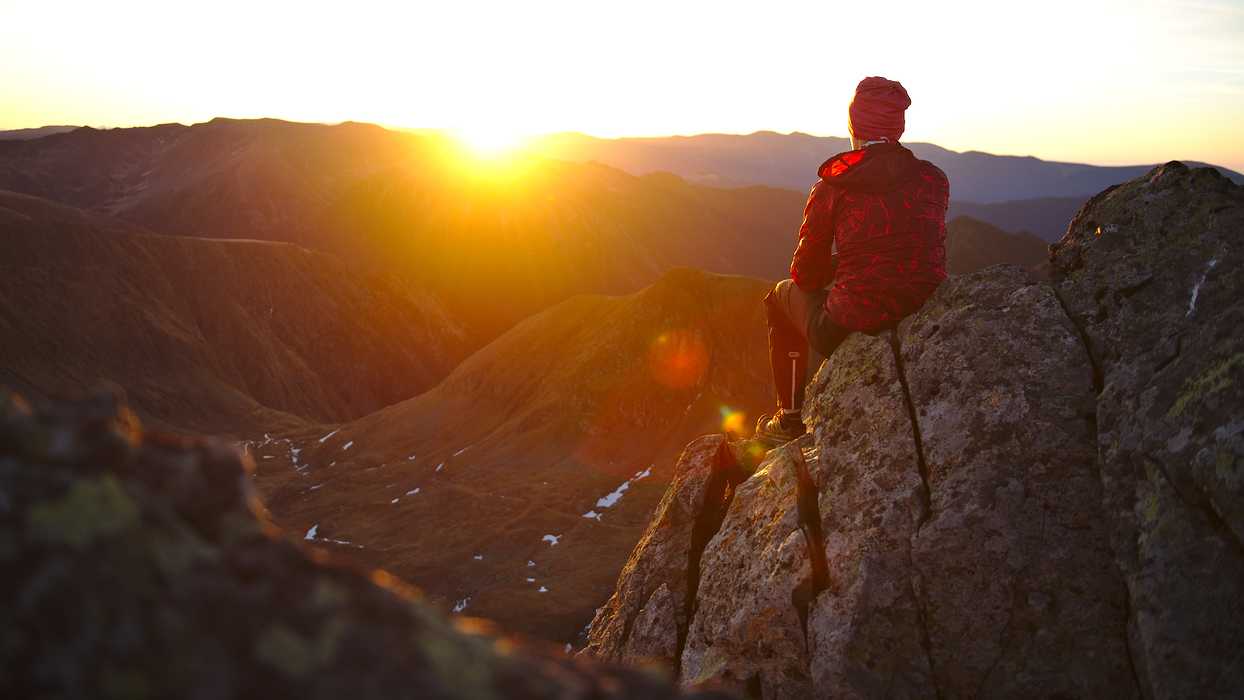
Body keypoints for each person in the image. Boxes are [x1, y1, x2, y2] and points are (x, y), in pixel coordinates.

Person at [755, 76, 949, 444]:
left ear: (854, 127)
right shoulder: (933, 179)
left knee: (780, 298)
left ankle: (790, 419)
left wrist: (840, 267)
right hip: (922, 308)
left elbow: (806, 275)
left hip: (853, 322)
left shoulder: (833, 188)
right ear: (897, 128)